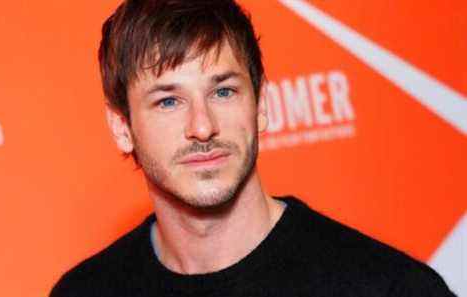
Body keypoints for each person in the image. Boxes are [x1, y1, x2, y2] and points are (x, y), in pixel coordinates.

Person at [50, 0, 456, 296]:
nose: (202, 126)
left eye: (223, 91)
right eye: (169, 101)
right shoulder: (84, 291)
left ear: (260, 105)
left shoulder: (388, 289)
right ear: (122, 127)